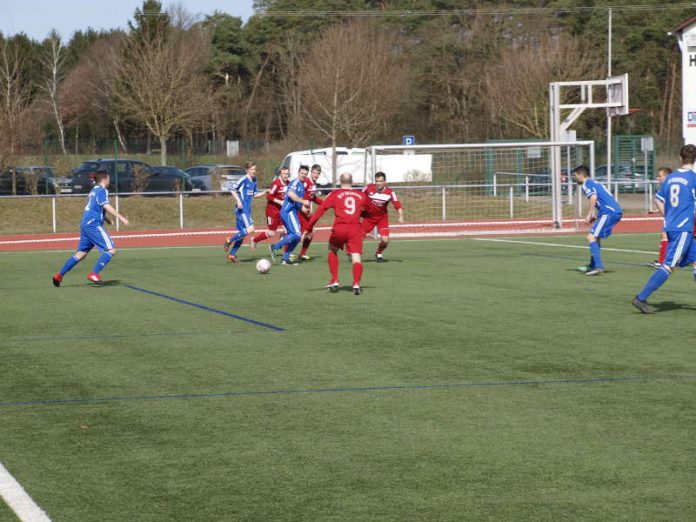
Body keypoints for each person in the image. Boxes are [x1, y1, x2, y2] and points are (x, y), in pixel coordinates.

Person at [633, 144, 696, 314]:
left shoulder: (670, 178)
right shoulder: (693, 179)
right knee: (669, 265)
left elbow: (658, 198)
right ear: (694, 160)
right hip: (683, 229)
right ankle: (641, 298)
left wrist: (668, 215)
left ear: (680, 158)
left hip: (673, 226)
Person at [52, 170, 129, 286]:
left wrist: (106, 219)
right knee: (111, 249)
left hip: (85, 224)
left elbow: (95, 207)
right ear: (104, 180)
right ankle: (94, 273)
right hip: (93, 224)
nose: (109, 181)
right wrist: (121, 217)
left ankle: (59, 275)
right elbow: (105, 205)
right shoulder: (102, 190)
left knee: (81, 254)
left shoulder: (93, 191)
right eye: (108, 178)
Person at [308, 172, 367, 295]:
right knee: (356, 257)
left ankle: (335, 280)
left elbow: (321, 210)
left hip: (340, 228)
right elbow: (370, 211)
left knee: (332, 250)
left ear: (340, 181)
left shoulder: (334, 194)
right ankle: (356, 283)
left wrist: (309, 227)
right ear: (352, 182)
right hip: (355, 228)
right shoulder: (361, 195)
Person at [573, 165, 623, 276]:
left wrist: (589, 214)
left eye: (575, 175)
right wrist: (597, 216)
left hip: (609, 212)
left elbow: (594, 198)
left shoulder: (586, 184)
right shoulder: (594, 183)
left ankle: (598, 267)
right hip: (612, 212)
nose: (574, 178)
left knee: (591, 237)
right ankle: (592, 265)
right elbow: (603, 198)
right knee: (597, 238)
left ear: (581, 175)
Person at [224, 161, 268, 262]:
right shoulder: (243, 180)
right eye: (252, 169)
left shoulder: (254, 180)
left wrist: (265, 192)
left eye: (255, 169)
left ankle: (232, 255)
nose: (254, 171)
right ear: (247, 170)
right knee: (251, 228)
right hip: (242, 209)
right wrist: (238, 200)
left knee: (242, 234)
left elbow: (255, 195)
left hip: (247, 210)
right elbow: (232, 189)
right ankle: (229, 240)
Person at [269, 165, 310, 265]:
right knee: (296, 234)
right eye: (302, 173)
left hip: (293, 212)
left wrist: (305, 210)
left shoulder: (302, 185)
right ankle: (275, 247)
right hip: (288, 211)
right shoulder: (295, 182)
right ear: (298, 173)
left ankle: (285, 258)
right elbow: (291, 194)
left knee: (297, 237)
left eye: (305, 174)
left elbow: (297, 204)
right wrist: (303, 200)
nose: (303, 175)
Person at [361, 171, 404, 262]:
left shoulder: (390, 192)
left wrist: (400, 216)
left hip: (382, 218)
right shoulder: (369, 188)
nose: (378, 183)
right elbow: (359, 196)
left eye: (381, 181)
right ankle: (351, 253)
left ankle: (378, 253)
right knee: (359, 236)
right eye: (377, 181)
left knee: (385, 240)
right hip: (369, 217)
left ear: (385, 182)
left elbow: (397, 204)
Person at [250, 166, 289, 249]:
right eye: (283, 173)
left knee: (288, 231)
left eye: (287, 174)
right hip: (272, 211)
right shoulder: (276, 184)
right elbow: (269, 197)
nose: (285, 175)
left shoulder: (289, 183)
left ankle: (280, 248)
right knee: (271, 233)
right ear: (280, 174)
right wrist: (280, 202)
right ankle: (254, 240)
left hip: (282, 211)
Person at [297, 163, 325, 261]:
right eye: (314, 172)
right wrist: (301, 207)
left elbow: (313, 198)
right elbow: (298, 196)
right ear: (311, 173)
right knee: (301, 234)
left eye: (318, 173)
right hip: (300, 211)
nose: (315, 175)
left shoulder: (313, 184)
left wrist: (324, 203)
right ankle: (283, 249)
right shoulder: (306, 182)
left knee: (310, 233)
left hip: (306, 212)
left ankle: (301, 254)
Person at [647, 166, 673, 269]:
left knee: (665, 235)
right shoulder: (673, 186)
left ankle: (662, 262)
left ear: (666, 176)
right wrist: (656, 211)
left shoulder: (666, 187)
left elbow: (658, 199)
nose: (658, 178)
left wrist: (666, 215)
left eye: (659, 176)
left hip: (674, 217)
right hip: (682, 215)